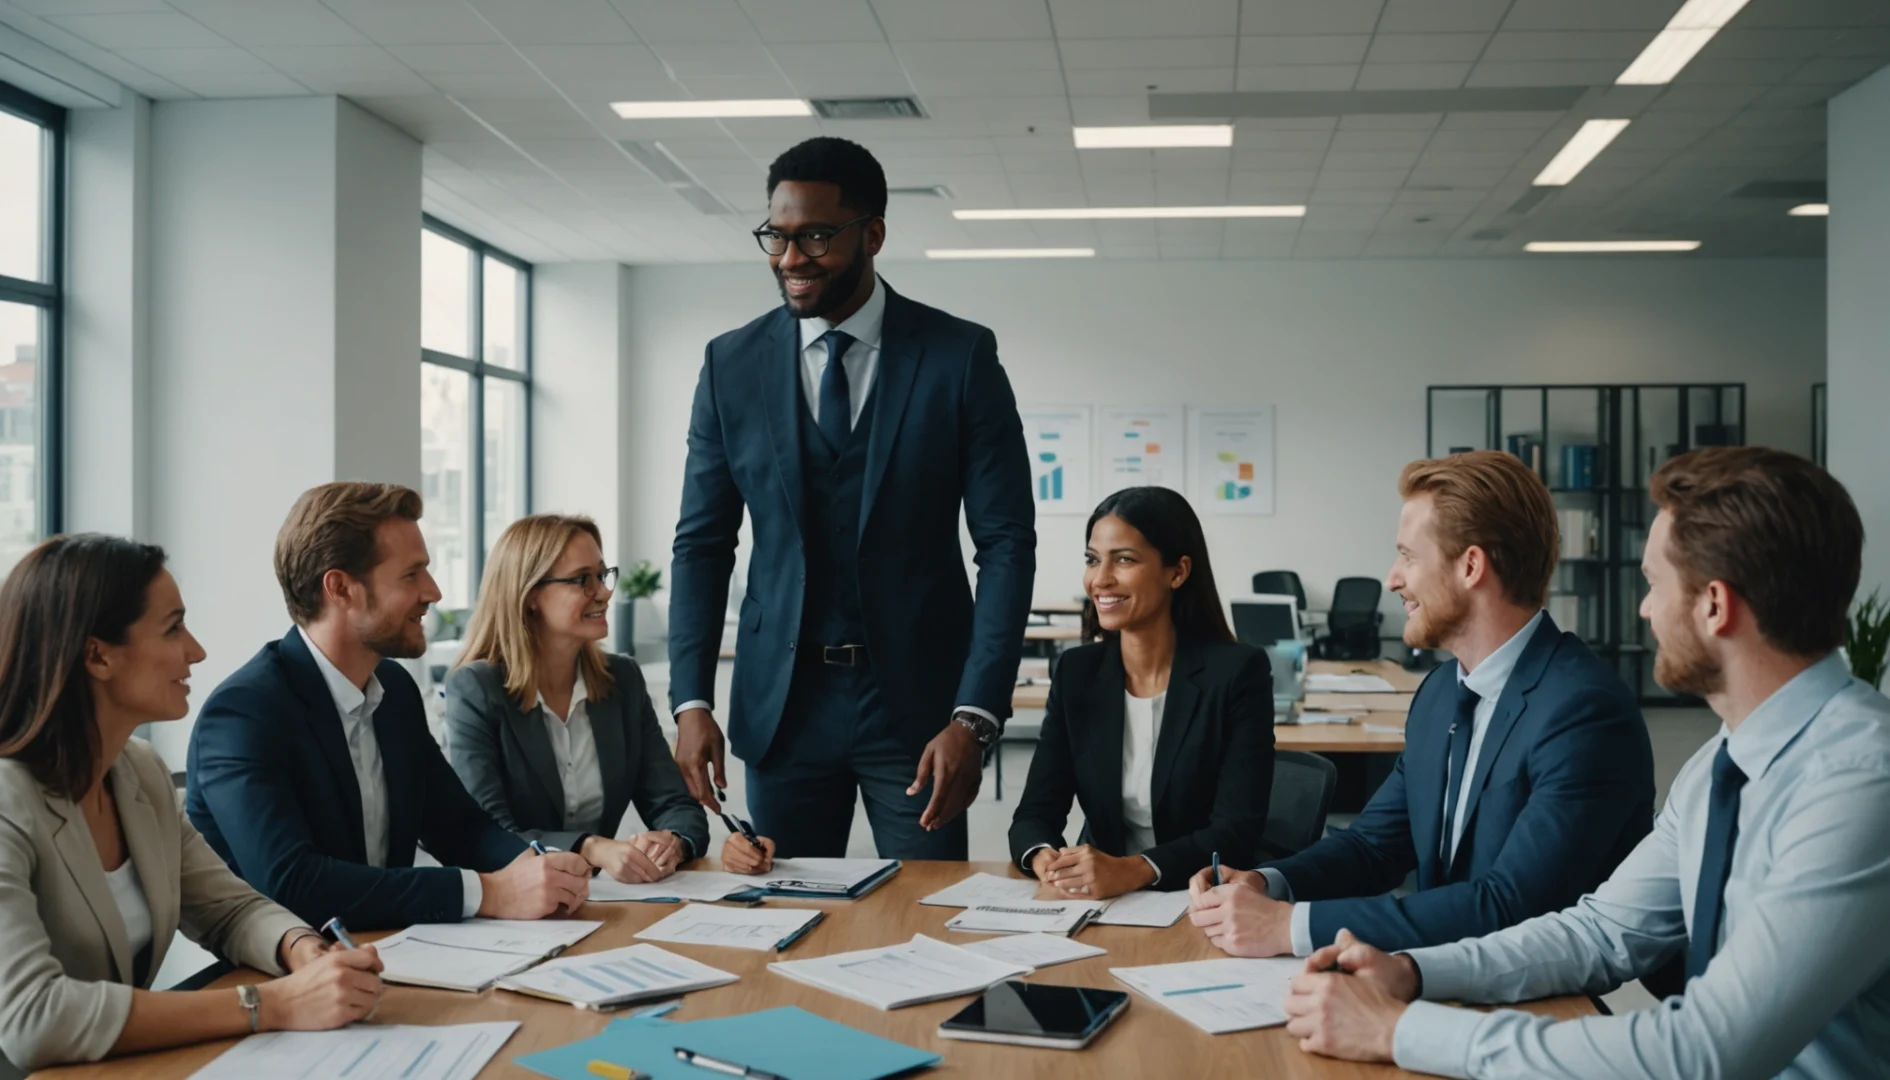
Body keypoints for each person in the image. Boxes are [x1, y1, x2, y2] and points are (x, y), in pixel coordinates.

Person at [1281, 447, 1890, 1080]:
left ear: (1715, 605)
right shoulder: (1720, 763)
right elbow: (1598, 932)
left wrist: (1401, 1031)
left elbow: (1706, 1051)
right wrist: (1413, 970)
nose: (1644, 610)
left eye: (1654, 584)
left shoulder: (1860, 783)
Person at [667, 136, 1034, 860]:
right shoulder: (730, 364)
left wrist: (976, 715)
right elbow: (702, 545)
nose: (790, 258)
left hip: (921, 711)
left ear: (873, 235)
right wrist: (692, 701)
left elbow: (1006, 544)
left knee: (929, 927)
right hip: (783, 705)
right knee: (784, 918)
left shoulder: (959, 357)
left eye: (816, 236)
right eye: (777, 235)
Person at [1189, 450, 1654, 957]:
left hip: (1534, 1003)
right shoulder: (1439, 691)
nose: (1392, 578)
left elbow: (1512, 907)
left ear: (1471, 566)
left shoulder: (1583, 712)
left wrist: (1290, 927)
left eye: (1408, 556)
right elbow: (1376, 845)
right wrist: (1266, 883)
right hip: (1433, 973)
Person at [0, 535, 385, 1076]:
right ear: (97, 655)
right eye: (173, 628)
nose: (197, 651)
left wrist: (302, 949)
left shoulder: (141, 772)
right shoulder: (5, 800)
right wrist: (270, 1005)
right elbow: (32, 1015)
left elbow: (229, 908)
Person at [186, 483, 591, 930]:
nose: (433, 592)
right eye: (412, 574)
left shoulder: (393, 689)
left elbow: (459, 826)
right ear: (341, 588)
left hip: (390, 948)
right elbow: (293, 883)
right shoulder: (244, 713)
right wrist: (489, 891)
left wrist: (542, 868)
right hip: (279, 977)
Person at [1006, 488, 1273, 898]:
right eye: (1093, 560)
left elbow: (1235, 831)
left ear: (1178, 572)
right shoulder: (1077, 672)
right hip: (1105, 903)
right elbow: (1034, 813)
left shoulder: (1237, 673)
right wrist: (1044, 856)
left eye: (1124, 559)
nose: (1100, 579)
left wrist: (1134, 869)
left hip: (1203, 898)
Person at [445, 514, 709, 883]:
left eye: (602, 575)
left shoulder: (623, 680)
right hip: (513, 908)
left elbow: (674, 804)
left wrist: (672, 841)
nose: (603, 592)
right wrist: (590, 847)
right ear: (530, 595)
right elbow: (489, 833)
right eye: (582, 580)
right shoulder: (476, 689)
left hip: (600, 902)